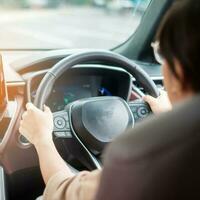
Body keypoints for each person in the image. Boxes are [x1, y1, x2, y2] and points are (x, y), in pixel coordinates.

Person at [19, 0, 200, 199]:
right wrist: (170, 117)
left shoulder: (140, 156)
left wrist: (42, 138)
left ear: (179, 70)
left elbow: (63, 190)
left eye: (161, 54)